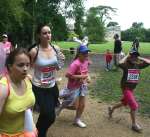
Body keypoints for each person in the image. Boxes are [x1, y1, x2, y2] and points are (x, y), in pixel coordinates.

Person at [29, 24, 65, 137]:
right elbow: (26, 67)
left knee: (47, 115)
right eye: (44, 33)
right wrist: (27, 78)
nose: (48, 35)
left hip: (52, 87)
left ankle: (38, 133)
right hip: (39, 88)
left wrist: (61, 60)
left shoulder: (55, 48)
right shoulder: (34, 51)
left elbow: (58, 67)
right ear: (39, 35)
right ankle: (39, 133)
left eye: (49, 32)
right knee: (49, 116)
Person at [108, 49, 150, 132]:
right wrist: (127, 56)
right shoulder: (126, 65)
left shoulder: (138, 65)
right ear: (130, 57)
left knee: (125, 103)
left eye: (136, 56)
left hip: (131, 89)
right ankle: (134, 125)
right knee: (134, 106)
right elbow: (119, 63)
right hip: (126, 88)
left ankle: (111, 108)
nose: (134, 58)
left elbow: (149, 62)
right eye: (133, 56)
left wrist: (139, 58)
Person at [0, 48, 36, 137]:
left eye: (27, 65)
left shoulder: (28, 79)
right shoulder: (3, 88)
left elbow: (28, 108)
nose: (25, 69)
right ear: (10, 66)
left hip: (27, 131)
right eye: (21, 65)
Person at [57, 45, 91, 128]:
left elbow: (86, 72)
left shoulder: (86, 61)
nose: (86, 54)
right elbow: (67, 75)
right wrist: (81, 77)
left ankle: (77, 120)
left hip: (82, 86)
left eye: (87, 52)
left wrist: (88, 77)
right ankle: (60, 105)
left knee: (82, 105)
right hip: (73, 87)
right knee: (75, 106)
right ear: (79, 54)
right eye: (84, 53)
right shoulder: (75, 64)